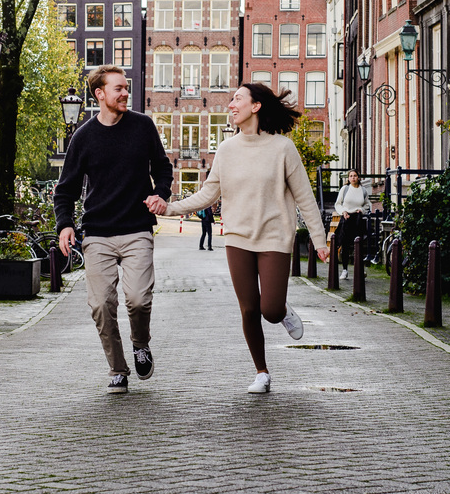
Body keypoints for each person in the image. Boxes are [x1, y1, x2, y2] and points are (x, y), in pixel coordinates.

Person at [159, 83, 329, 394]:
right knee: (249, 309)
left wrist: (320, 241)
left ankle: (283, 312)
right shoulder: (226, 149)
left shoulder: (283, 149)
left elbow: (305, 198)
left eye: (238, 99)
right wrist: (170, 208)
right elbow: (208, 194)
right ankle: (262, 372)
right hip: (238, 238)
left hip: (275, 237)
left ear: (256, 106)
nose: (231, 105)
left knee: (271, 309)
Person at [54, 65, 173, 394]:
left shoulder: (143, 126)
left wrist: (160, 194)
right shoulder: (84, 137)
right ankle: (117, 368)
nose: (125, 93)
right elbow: (66, 189)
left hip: (136, 228)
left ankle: (140, 342)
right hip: (98, 232)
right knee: (101, 304)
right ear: (100, 94)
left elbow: (163, 168)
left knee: (137, 299)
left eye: (126, 88)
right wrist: (64, 225)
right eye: (118, 88)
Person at [333, 169, 371, 280]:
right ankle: (345, 270)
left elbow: (367, 204)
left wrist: (362, 210)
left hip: (358, 219)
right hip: (346, 218)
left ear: (358, 177)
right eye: (351, 176)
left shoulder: (363, 190)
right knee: (345, 245)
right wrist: (343, 212)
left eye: (355, 175)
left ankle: (360, 269)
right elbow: (338, 204)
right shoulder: (345, 189)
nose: (353, 177)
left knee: (358, 244)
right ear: (348, 178)